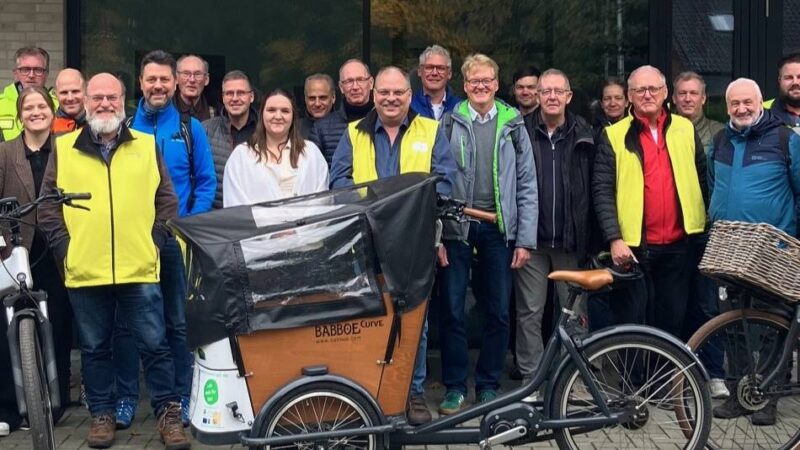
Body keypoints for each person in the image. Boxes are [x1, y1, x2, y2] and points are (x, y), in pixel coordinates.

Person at [38, 72, 189, 449]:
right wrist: (66, 249)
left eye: (112, 97)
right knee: (94, 349)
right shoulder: (64, 146)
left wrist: (154, 241)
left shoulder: (146, 144)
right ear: (86, 102)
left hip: (138, 266)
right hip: (86, 270)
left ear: (124, 101)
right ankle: (102, 415)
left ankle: (169, 416)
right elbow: (48, 208)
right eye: (98, 97)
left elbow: (166, 200)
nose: (105, 104)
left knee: (155, 346)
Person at [329, 66, 456, 424]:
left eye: (398, 93)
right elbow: (339, 182)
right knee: (367, 318)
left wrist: (410, 206)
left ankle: (412, 394)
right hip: (365, 243)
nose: (390, 98)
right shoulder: (354, 134)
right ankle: (370, 393)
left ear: (408, 94)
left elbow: (445, 182)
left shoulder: (430, 131)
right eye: (384, 92)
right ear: (373, 95)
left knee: (415, 322)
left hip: (414, 244)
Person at [437, 53, 537, 414]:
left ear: (497, 85)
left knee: (498, 312)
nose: (481, 86)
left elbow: (527, 184)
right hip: (457, 228)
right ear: (464, 86)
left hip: (498, 230)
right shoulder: (450, 122)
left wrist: (524, 239)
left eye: (487, 81)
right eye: (474, 81)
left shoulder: (513, 125)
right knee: (452, 311)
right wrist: (438, 234)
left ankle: (489, 385)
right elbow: (437, 178)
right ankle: (453, 387)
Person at [123, 49, 216, 429]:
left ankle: (181, 395)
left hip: (175, 244)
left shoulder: (189, 129)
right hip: (134, 244)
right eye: (151, 79)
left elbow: (206, 183)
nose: (158, 85)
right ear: (140, 83)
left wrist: (184, 228)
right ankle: (128, 398)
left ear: (175, 83)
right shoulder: (126, 127)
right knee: (130, 324)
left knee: (178, 324)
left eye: (165, 79)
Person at [707, 77, 800, 425]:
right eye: (735, 104)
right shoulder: (720, 140)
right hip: (729, 250)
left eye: (748, 102)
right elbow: (712, 185)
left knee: (775, 325)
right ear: (727, 106)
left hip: (773, 252)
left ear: (761, 102)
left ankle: (769, 399)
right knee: (733, 324)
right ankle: (738, 395)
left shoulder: (784, 139)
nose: (742, 109)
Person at [593, 65, 707, 336]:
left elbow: (703, 182)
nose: (647, 94)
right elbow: (602, 190)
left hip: (679, 246)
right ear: (629, 96)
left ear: (665, 92)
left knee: (672, 322)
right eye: (639, 90)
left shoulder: (686, 129)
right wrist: (614, 238)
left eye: (653, 88)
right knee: (632, 322)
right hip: (632, 248)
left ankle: (666, 379)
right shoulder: (614, 135)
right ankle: (632, 380)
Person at [515, 69, 594, 397]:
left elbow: (594, 187)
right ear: (537, 96)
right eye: (544, 91)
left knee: (573, 315)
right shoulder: (519, 132)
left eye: (556, 91)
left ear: (568, 96)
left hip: (569, 241)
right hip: (531, 242)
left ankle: (569, 383)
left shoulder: (586, 133)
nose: (550, 97)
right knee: (529, 314)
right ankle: (530, 383)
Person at [0, 86, 72, 437]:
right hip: (15, 251)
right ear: (20, 113)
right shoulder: (4, 152)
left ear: (51, 109)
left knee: (57, 322)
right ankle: (9, 408)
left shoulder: (67, 150)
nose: (35, 112)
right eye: (28, 107)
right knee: (7, 327)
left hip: (57, 252)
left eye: (41, 105)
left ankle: (53, 403)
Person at [223, 89, 328, 206]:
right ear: (262, 114)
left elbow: (322, 201)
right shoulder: (241, 156)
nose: (278, 116)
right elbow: (235, 205)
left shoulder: (311, 152)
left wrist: (301, 224)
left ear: (293, 116)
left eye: (285, 111)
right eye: (271, 110)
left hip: (308, 224)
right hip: (258, 224)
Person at [202, 70, 258, 209]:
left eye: (240, 93)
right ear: (222, 97)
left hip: (257, 216)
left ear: (251, 97)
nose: (234, 98)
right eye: (229, 93)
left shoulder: (265, 131)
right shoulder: (205, 130)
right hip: (216, 215)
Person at [309, 59, 374, 164]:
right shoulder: (321, 129)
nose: (355, 87)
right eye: (349, 81)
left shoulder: (386, 123)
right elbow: (314, 173)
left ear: (371, 83)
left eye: (360, 80)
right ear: (341, 87)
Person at [0, 47, 58, 141]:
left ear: (46, 74)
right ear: (16, 73)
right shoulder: (1, 104)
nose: (31, 75)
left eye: (38, 70)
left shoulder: (58, 105)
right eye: (25, 69)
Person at [673, 71, 724, 148]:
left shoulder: (719, 132)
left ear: (703, 99)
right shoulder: (663, 131)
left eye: (693, 93)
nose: (687, 99)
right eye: (682, 93)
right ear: (674, 98)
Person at [411, 45, 461, 120]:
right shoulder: (408, 106)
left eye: (441, 68)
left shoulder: (460, 108)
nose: (434, 73)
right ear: (419, 71)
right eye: (429, 67)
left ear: (449, 74)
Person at [764, 52, 800, 131]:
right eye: (788, 78)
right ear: (780, 81)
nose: (795, 82)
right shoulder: (762, 112)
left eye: (799, 77)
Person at [174, 54, 214, 121]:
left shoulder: (215, 114)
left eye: (197, 74)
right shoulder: (163, 112)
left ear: (206, 79)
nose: (192, 80)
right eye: (186, 74)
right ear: (176, 78)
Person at [300, 73, 336, 138]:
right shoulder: (294, 130)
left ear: (333, 97)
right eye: (312, 98)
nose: (317, 104)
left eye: (322, 98)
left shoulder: (346, 128)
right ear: (305, 99)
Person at [52, 68, 87, 134]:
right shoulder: (48, 128)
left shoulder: (97, 125)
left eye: (75, 91)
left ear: (85, 92)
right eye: (64, 93)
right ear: (56, 95)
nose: (70, 98)